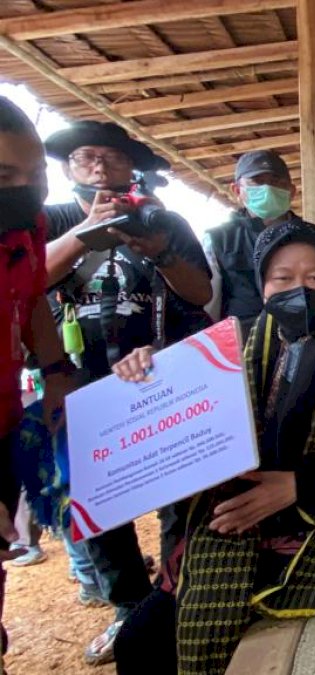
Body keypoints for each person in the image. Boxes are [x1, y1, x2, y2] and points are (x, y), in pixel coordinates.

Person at [111, 221, 315, 675]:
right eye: (283, 278)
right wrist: (146, 374)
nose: (301, 288)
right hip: (239, 508)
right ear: (262, 283)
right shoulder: (234, 342)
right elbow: (181, 415)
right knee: (140, 643)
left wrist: (299, 488)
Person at [42, 120, 213, 665]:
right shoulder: (52, 221)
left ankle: (174, 597)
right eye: (86, 158)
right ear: (68, 168)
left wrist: (161, 250)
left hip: (165, 381)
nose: (99, 167)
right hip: (82, 387)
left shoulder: (167, 221)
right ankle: (127, 607)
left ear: (131, 166)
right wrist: (87, 229)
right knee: (94, 506)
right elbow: (28, 282)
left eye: (111, 159)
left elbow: (203, 292)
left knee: (179, 495)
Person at [0, 95, 77, 674]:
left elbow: (31, 303)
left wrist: (55, 373)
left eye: (37, 175)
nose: (27, 188)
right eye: (6, 175)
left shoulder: (29, 226)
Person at [202, 150, 310, 323]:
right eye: (257, 182)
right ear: (237, 190)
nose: (268, 189)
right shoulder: (218, 240)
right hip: (240, 344)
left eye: (276, 182)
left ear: (291, 191)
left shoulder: (311, 237)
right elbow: (209, 307)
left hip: (301, 342)